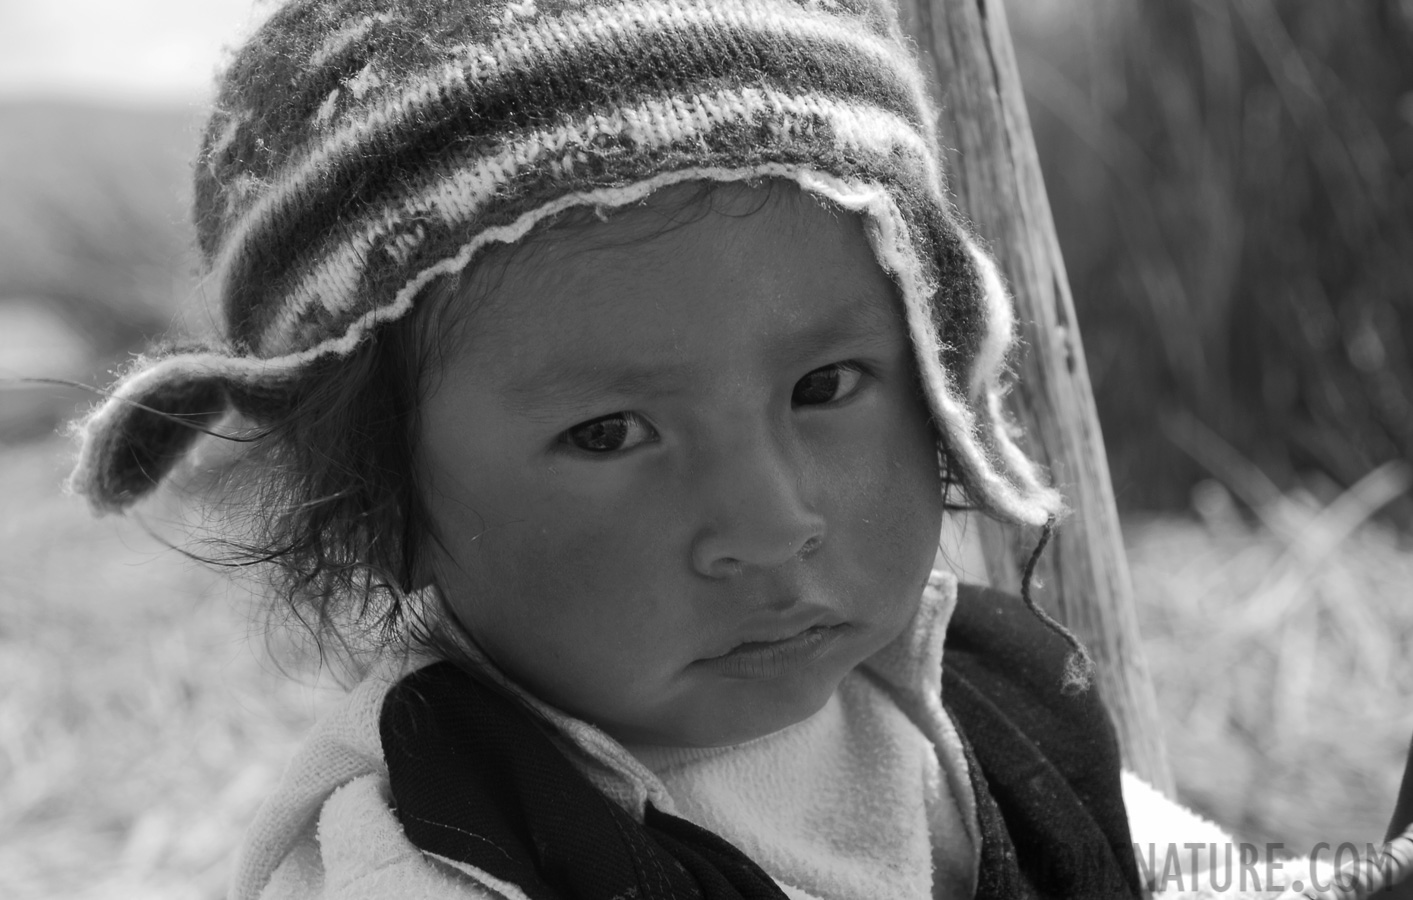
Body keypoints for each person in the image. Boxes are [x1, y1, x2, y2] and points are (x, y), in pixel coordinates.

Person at [65, 1, 1413, 898]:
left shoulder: (964, 704)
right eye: (609, 433)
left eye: (827, 384)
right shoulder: (439, 839)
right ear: (378, 507)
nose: (771, 524)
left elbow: (1172, 873)